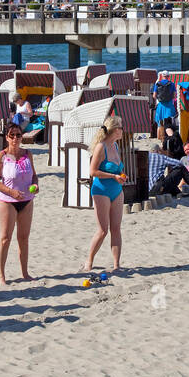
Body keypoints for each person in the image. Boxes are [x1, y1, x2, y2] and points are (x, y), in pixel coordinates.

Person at [0, 123, 38, 285]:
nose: (15, 139)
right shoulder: (2, 156)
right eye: (12, 135)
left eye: (18, 135)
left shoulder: (27, 154)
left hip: (27, 200)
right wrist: (11, 192)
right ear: (6, 137)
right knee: (5, 238)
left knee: (23, 238)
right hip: (7, 201)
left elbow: (34, 176)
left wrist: (36, 185)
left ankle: (25, 273)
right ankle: (1, 276)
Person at [83, 116, 127, 273]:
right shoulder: (101, 147)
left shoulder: (114, 145)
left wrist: (121, 174)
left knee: (116, 228)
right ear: (116, 130)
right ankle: (89, 261)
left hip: (116, 190)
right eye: (121, 127)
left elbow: (117, 167)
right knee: (103, 230)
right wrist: (113, 176)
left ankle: (116, 265)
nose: (123, 130)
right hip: (101, 190)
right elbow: (92, 171)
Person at [152, 70, 177, 138]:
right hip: (169, 106)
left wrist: (159, 99)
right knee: (169, 124)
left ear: (162, 76)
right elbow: (174, 96)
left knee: (159, 124)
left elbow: (154, 96)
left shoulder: (158, 84)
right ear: (168, 76)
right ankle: (171, 138)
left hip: (161, 106)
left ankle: (159, 139)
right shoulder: (172, 84)